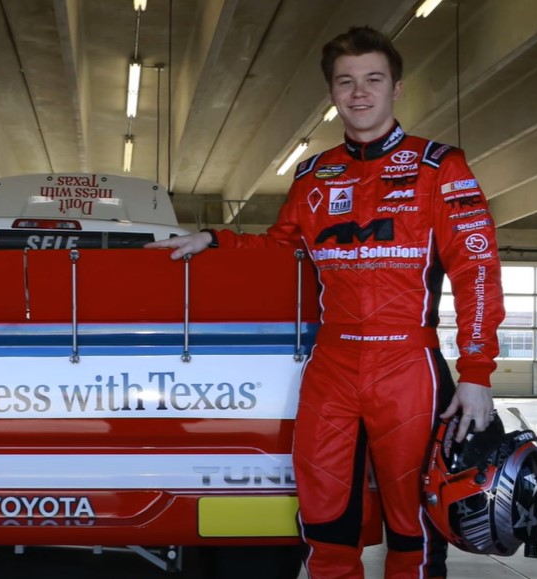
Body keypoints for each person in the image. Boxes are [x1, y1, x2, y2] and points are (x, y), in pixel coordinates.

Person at [146, 26, 504, 579]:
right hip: (332, 364)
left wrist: (477, 372)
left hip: (408, 365)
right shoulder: (314, 173)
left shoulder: (441, 167)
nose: (359, 93)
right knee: (324, 515)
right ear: (333, 93)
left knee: (415, 521)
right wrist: (216, 240)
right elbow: (280, 246)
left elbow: (476, 269)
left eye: (373, 80)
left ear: (396, 88)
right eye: (346, 82)